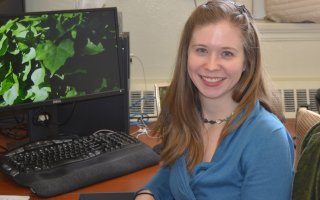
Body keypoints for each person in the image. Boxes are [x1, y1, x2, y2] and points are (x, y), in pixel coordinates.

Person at [135, 0, 294, 199]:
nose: (211, 66)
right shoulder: (187, 113)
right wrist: (147, 195)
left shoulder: (268, 138)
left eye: (226, 53)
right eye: (201, 50)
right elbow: (169, 175)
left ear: (247, 62)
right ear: (186, 55)